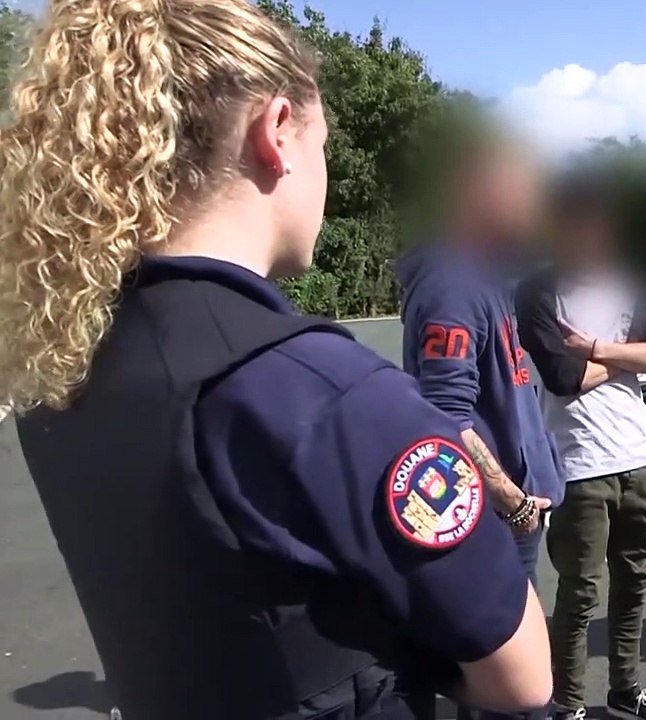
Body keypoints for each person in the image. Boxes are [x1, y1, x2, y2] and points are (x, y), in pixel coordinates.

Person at [0, 2, 552, 718]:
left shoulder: (68, 364)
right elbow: (522, 674)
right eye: (323, 143)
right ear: (278, 131)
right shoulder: (323, 393)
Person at [396, 134, 563, 720]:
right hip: (494, 521)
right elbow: (444, 415)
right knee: (512, 693)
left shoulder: (485, 276)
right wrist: (511, 500)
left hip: (511, 518)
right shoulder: (453, 281)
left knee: (501, 683)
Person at [514, 172, 646, 720]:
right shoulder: (538, 290)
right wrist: (623, 357)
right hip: (578, 463)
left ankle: (625, 687)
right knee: (580, 592)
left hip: (639, 457)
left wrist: (595, 348)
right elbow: (561, 377)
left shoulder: (634, 286)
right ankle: (568, 703)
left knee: (634, 581)